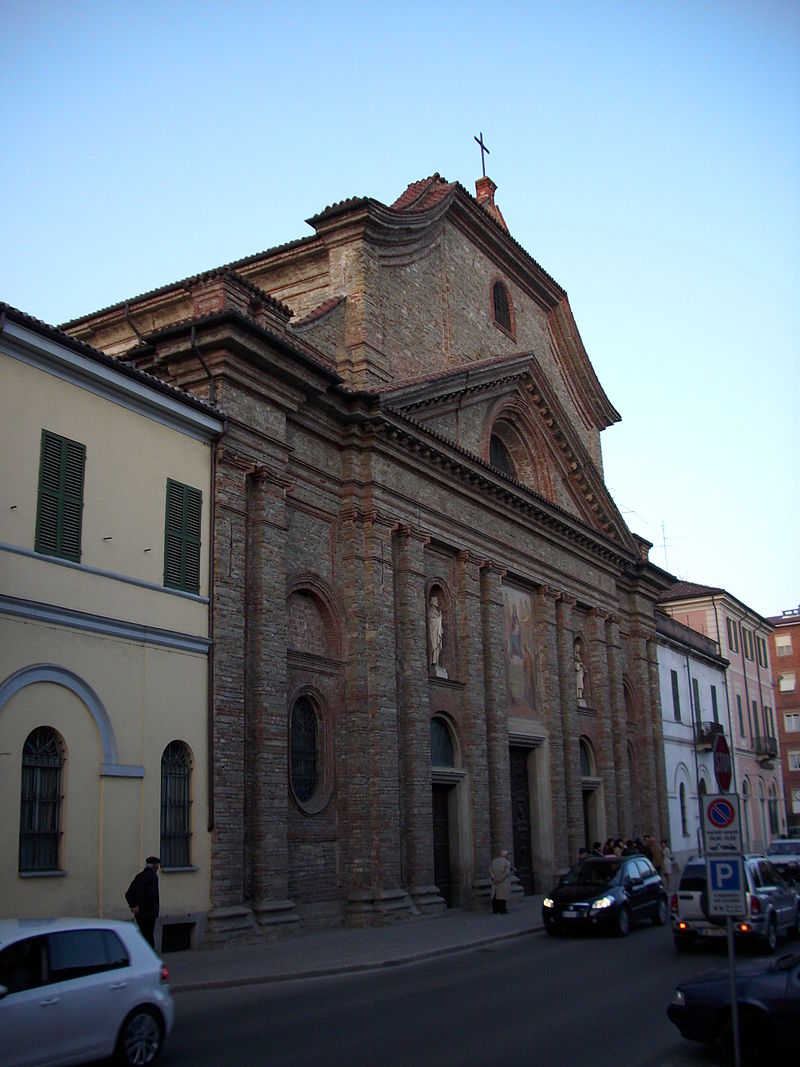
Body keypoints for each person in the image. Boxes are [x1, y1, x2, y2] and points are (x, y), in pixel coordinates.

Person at [125, 855, 161, 948]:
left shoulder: (139, 876)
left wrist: (133, 906)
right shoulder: (153, 877)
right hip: (149, 913)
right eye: (157, 866)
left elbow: (128, 893)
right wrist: (140, 907)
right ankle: (149, 957)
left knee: (143, 936)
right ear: (154, 866)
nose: (158, 868)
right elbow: (150, 895)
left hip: (139, 914)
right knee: (149, 937)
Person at [428, 594, 444, 669]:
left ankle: (436, 661)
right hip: (433, 631)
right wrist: (439, 619)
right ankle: (433, 661)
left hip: (437, 631)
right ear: (432, 601)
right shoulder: (430, 610)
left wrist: (439, 618)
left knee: (439, 646)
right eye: (436, 600)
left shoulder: (437, 611)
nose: (437, 602)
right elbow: (431, 621)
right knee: (434, 645)